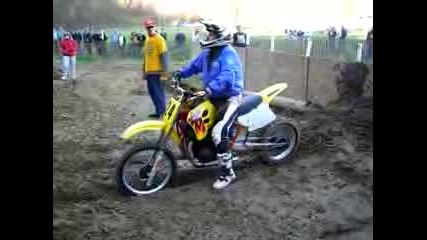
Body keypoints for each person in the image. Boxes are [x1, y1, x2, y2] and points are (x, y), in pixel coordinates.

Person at [173, 20, 244, 190]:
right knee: (193, 117)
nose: (208, 36)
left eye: (212, 34)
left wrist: (210, 89)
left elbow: (228, 76)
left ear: (220, 37)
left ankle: (227, 174)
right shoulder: (208, 53)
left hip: (230, 98)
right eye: (208, 33)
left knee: (219, 133)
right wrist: (179, 74)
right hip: (212, 97)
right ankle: (202, 150)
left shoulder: (228, 54)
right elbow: (194, 65)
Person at [142, 17, 169, 118]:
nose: (150, 29)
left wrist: (164, 72)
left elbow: (164, 56)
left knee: (158, 91)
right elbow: (146, 56)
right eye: (148, 28)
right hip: (149, 72)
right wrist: (144, 70)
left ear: (154, 27)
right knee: (152, 92)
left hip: (157, 72)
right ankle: (158, 111)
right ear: (146, 28)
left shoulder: (159, 39)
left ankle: (162, 111)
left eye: (151, 27)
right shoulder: (148, 39)